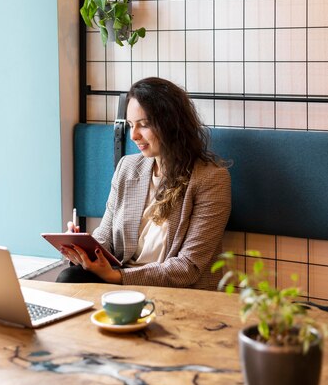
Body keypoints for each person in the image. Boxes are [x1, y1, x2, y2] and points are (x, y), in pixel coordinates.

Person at [57, 77, 231, 289]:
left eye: (144, 125)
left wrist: (117, 277)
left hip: (173, 287)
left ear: (171, 123)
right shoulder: (127, 167)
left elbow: (188, 267)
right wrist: (82, 248)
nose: (133, 135)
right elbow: (106, 236)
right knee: (69, 277)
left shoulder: (210, 179)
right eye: (131, 125)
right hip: (121, 278)